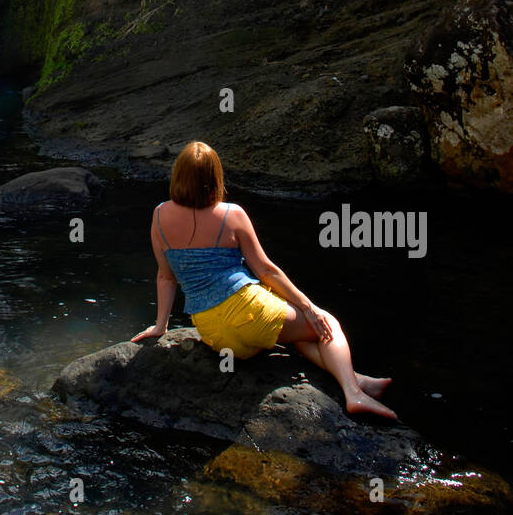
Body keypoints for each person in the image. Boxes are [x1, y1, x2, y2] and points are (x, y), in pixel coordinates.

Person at [131, 140, 396, 419]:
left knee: (300, 335)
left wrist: (161, 326)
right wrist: (309, 307)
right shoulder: (232, 214)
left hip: (215, 334)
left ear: (178, 175)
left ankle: (353, 378)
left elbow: (166, 276)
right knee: (325, 323)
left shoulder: (159, 215)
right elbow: (266, 271)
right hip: (250, 312)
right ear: (215, 177)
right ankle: (353, 394)